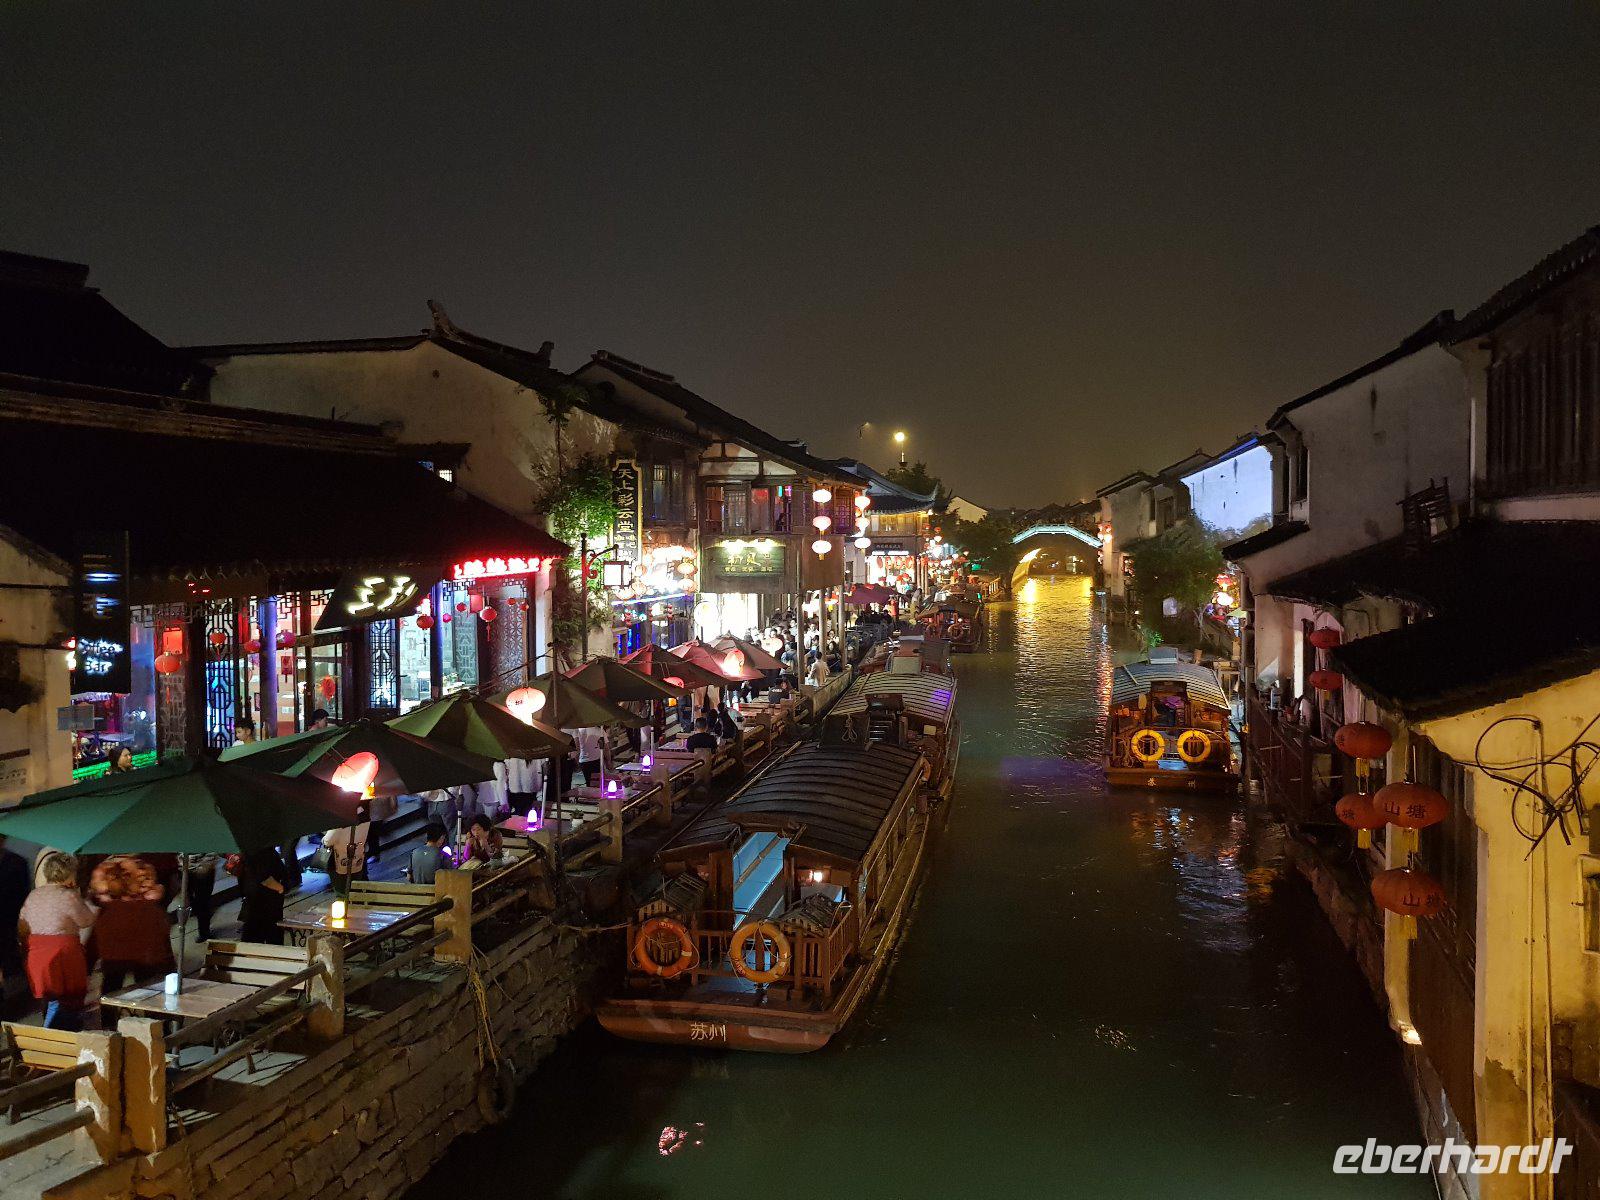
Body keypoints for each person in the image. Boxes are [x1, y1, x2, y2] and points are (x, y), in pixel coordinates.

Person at [18, 854, 95, 1030]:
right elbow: (86, 920)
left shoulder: (34, 895)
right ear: (69, 874)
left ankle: (56, 1040)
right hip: (62, 957)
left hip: (36, 955)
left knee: (49, 1001)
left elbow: (23, 924)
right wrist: (89, 903)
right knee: (63, 1004)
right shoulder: (68, 896)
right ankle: (50, 1042)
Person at [87, 855, 174, 1008]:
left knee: (111, 988)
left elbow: (95, 942)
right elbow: (162, 939)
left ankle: (110, 1023)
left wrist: (87, 967)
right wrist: (169, 966)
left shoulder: (107, 914)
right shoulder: (151, 910)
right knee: (149, 990)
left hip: (114, 957)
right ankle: (154, 1022)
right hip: (146, 957)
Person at [237, 847, 288, 944]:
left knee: (256, 936)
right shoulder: (260, 851)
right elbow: (264, 878)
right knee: (267, 936)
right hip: (265, 901)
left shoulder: (254, 850)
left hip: (258, 899)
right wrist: (281, 888)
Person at [0, 835, 29, 1000]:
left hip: (8, 918)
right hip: (9, 917)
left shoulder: (16, 862)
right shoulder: (17, 861)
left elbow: (22, 893)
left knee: (7, 956)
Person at [322, 806, 371, 896]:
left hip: (341, 860)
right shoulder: (365, 816)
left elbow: (328, 841)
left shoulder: (340, 819)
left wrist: (324, 837)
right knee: (356, 887)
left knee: (342, 891)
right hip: (358, 858)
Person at [184, 853, 219, 943]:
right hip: (189, 867)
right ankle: (204, 930)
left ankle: (204, 932)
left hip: (202, 868)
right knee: (196, 901)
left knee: (202, 900)